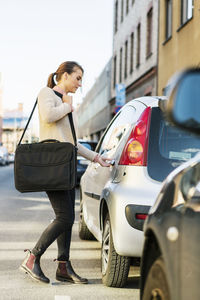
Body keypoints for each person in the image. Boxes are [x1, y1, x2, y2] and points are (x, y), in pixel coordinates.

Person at [20, 61, 111, 284]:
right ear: (64, 76)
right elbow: (48, 115)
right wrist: (68, 106)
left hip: (67, 165)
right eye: (77, 78)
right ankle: (32, 257)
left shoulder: (69, 104)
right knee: (65, 216)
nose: (80, 83)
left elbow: (73, 143)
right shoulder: (47, 93)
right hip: (53, 165)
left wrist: (97, 157)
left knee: (67, 218)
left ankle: (63, 267)